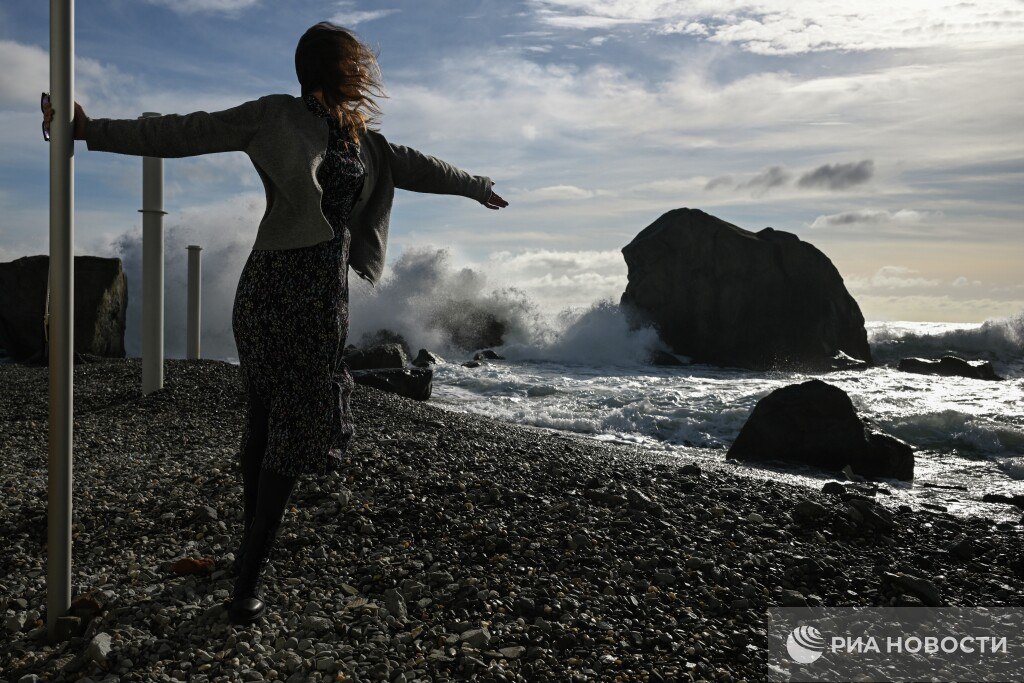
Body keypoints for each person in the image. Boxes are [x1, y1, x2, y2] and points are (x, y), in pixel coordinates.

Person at [42, 21, 508, 625]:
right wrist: (90, 130)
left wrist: (478, 187)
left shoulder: (367, 143)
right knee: (277, 426)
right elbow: (187, 131)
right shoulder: (274, 117)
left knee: (275, 426)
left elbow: (425, 168)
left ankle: (245, 559)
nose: (365, 70)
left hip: (323, 300)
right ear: (338, 68)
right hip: (271, 291)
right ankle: (248, 582)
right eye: (357, 61)